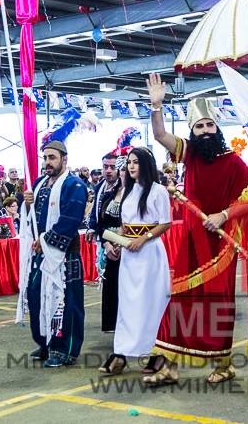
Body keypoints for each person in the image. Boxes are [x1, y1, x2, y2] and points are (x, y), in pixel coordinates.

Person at [141, 73, 248, 387]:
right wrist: (157, 107)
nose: (206, 131)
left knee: (216, 302)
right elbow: (159, 136)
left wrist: (223, 215)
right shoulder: (189, 154)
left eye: (210, 125)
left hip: (221, 245)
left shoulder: (232, 161)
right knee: (180, 298)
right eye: (200, 126)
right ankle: (170, 365)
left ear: (217, 129)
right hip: (193, 241)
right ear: (192, 132)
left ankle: (223, 365)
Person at [99, 147, 173, 378]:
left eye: (136, 162)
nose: (131, 166)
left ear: (146, 165)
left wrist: (143, 239)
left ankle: (157, 354)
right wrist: (118, 241)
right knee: (128, 305)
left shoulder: (158, 191)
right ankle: (121, 352)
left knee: (151, 304)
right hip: (130, 256)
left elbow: (165, 223)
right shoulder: (128, 192)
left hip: (150, 254)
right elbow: (125, 224)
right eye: (129, 162)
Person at [20, 138, 89, 369]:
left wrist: (46, 240)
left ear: (64, 159)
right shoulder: (39, 183)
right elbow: (33, 219)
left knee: (67, 303)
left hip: (64, 254)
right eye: (45, 158)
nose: (48, 162)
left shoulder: (75, 185)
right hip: (41, 254)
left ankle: (65, 349)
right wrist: (27, 204)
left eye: (52, 158)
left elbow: (70, 220)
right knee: (37, 296)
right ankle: (46, 342)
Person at [89, 152, 123, 334]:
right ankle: (111, 323)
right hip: (106, 241)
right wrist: (94, 231)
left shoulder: (124, 188)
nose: (108, 171)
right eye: (105, 167)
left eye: (112, 167)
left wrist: (119, 241)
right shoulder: (100, 187)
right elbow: (97, 214)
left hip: (126, 242)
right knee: (109, 282)